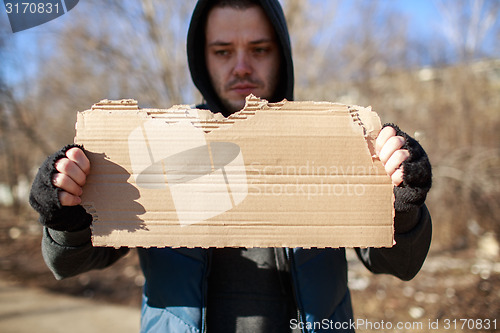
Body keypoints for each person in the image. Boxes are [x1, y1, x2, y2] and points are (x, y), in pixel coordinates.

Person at [29, 0, 432, 332]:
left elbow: (399, 262)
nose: (241, 66)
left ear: (281, 55)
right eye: (223, 51)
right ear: (202, 58)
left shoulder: (331, 141)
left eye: (258, 49)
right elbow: (72, 262)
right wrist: (66, 211)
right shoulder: (160, 144)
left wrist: (404, 203)